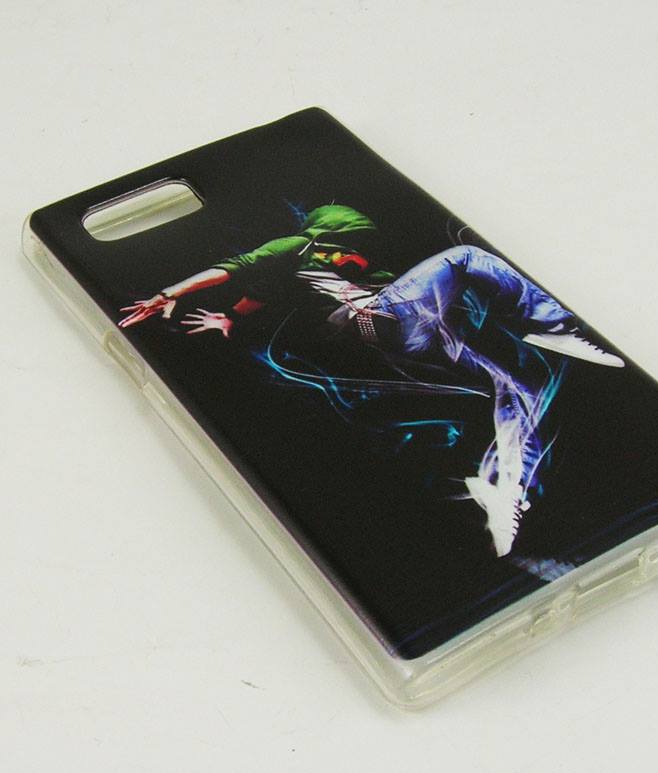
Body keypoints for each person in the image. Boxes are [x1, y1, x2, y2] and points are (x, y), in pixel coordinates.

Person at [120, 204, 624, 556]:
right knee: (467, 258)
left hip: (416, 333)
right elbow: (233, 267)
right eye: (351, 239)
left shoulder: (333, 263)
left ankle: (505, 490)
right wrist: (169, 294)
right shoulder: (301, 244)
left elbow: (258, 292)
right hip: (377, 317)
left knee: (518, 389)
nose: (358, 248)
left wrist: (231, 318)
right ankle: (553, 325)